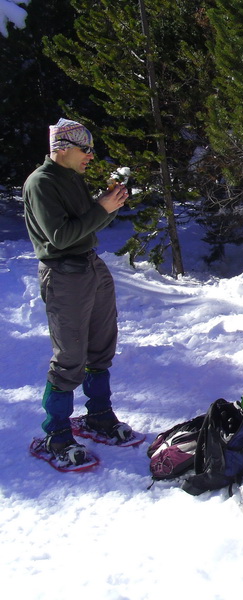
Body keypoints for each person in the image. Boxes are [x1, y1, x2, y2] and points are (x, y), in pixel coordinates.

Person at [23, 118, 133, 467]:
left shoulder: (72, 178)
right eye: (85, 149)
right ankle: (56, 434)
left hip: (90, 266)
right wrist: (101, 208)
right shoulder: (41, 183)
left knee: (101, 348)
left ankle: (98, 415)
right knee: (70, 357)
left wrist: (108, 205)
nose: (90, 155)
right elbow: (60, 237)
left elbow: (86, 226)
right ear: (63, 148)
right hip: (63, 273)